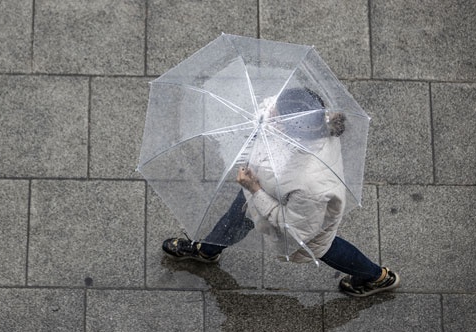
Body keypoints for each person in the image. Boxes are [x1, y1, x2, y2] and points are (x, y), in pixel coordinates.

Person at [162, 87, 400, 297]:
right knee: (236, 218)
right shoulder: (310, 119)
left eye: (277, 113)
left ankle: (376, 277)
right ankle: (208, 250)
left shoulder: (310, 184)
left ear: (294, 126)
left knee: (323, 246)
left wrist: (254, 189)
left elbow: (292, 226)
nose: (271, 111)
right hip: (264, 190)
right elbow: (271, 121)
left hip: (294, 212)